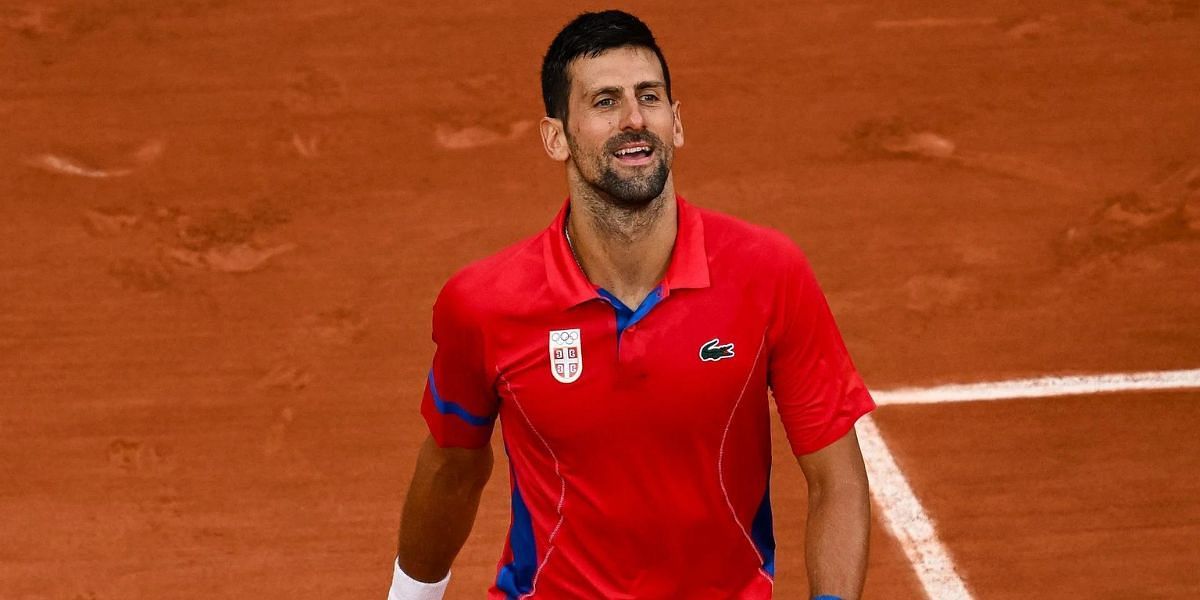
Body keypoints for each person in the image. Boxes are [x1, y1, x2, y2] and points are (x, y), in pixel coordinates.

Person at [390, 10, 874, 600]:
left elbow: (836, 479)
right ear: (555, 137)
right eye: (604, 102)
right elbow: (451, 469)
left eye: (649, 97)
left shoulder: (768, 273)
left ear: (676, 123)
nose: (634, 120)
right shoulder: (484, 305)